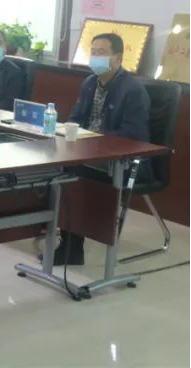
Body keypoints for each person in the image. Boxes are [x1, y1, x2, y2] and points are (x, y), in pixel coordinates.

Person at [55, 32, 150, 266]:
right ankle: (57, 231)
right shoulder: (90, 83)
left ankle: (72, 249)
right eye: (93, 52)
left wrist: (94, 139)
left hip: (119, 160)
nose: (95, 57)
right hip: (87, 151)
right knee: (55, 165)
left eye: (102, 52)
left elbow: (134, 134)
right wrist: (69, 130)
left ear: (118, 58)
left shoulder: (133, 90)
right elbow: (76, 117)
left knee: (74, 175)